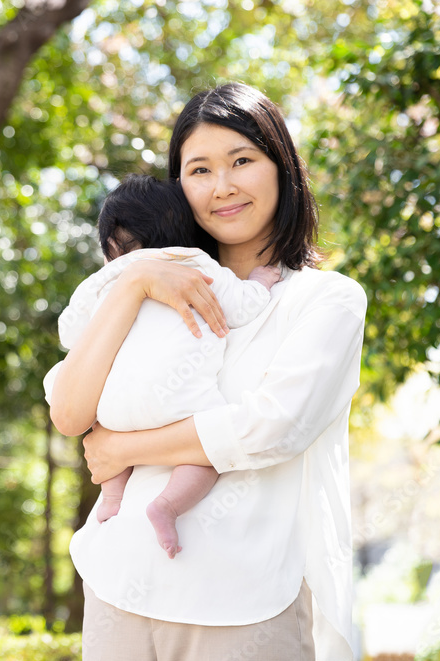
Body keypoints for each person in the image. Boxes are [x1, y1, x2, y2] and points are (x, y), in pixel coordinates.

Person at [48, 82, 366, 661]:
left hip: (244, 602)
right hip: (120, 583)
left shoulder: (327, 299)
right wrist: (139, 279)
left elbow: (270, 429)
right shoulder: (141, 289)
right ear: (179, 188)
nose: (222, 187)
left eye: (242, 161)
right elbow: (69, 414)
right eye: (199, 170)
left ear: (282, 169)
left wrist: (122, 447)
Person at [44, 173, 282, 559]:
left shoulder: (102, 282)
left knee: (84, 398)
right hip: (180, 404)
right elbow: (244, 306)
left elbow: (71, 333)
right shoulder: (197, 264)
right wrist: (261, 280)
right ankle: (168, 506)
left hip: (110, 412)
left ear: (110, 247)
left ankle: (112, 495)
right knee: (206, 454)